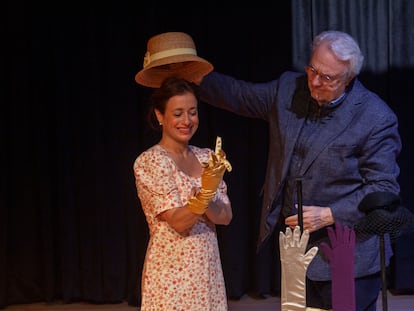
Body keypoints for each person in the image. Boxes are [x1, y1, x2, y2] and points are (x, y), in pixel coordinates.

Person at [193, 30, 401, 311]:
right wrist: (190, 75)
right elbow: (239, 95)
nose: (315, 81)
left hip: (349, 254)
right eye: (312, 69)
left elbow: (383, 189)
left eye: (327, 78)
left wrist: (329, 215)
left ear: (348, 78)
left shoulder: (375, 117)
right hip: (298, 250)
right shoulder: (290, 88)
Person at [133, 76, 233, 310]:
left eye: (192, 112)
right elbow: (179, 221)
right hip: (172, 275)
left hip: (206, 271)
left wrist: (207, 195)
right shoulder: (152, 161)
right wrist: (206, 193)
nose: (187, 120)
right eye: (178, 113)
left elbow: (226, 216)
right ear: (160, 116)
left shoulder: (206, 157)